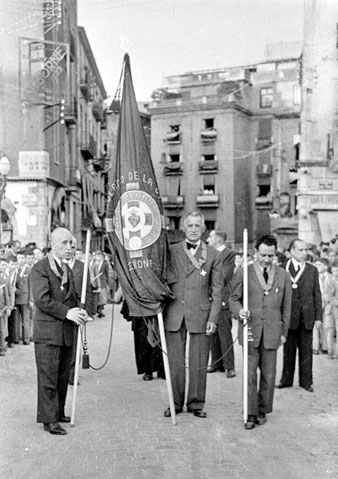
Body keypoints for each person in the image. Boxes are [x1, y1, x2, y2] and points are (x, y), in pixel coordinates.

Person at [163, 211, 222, 418]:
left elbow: (217, 290)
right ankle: (175, 402)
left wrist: (213, 318)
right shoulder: (171, 251)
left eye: (198, 226)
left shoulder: (213, 253)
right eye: (190, 226)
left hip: (201, 314)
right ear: (184, 228)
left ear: (204, 229)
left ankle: (196, 404)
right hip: (175, 312)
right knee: (175, 362)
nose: (194, 230)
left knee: (198, 361)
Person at [30, 227, 89, 435]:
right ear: (53, 244)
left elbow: (72, 300)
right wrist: (67, 313)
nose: (69, 248)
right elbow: (42, 300)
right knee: (48, 376)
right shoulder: (40, 268)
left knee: (63, 375)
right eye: (64, 243)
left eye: (71, 244)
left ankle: (58, 411)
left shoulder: (67, 270)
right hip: (47, 333)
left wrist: (81, 314)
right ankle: (49, 419)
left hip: (65, 332)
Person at [230, 235, 291, 430]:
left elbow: (287, 307)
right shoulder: (244, 272)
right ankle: (250, 412)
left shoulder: (283, 275)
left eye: (270, 256)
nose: (266, 259)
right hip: (250, 331)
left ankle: (263, 409)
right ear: (256, 252)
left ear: (275, 254)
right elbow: (233, 298)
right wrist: (240, 311)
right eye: (263, 255)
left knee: (269, 375)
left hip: (272, 332)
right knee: (249, 374)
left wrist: (284, 332)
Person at [277, 239, 322, 393]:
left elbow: (317, 294)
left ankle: (306, 381)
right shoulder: (282, 269)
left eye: (305, 250)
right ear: (292, 251)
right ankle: (286, 379)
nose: (304, 253)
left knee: (306, 351)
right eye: (301, 250)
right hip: (289, 318)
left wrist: (318, 317)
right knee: (288, 351)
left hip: (306, 317)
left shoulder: (312, 270)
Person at [206, 230, 236, 378]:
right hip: (211, 296)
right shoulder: (209, 253)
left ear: (218, 239)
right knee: (212, 332)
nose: (208, 239)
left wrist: (208, 280)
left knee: (225, 333)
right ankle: (215, 362)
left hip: (222, 297)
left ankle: (229, 366)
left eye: (210, 236)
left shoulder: (229, 254)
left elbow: (225, 275)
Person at [314, 257, 335, 358]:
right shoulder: (313, 276)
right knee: (315, 326)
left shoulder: (331, 278)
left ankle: (325, 347)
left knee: (326, 326)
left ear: (326, 267)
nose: (316, 267)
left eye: (319, 265)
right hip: (316, 304)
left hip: (328, 305)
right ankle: (315, 347)